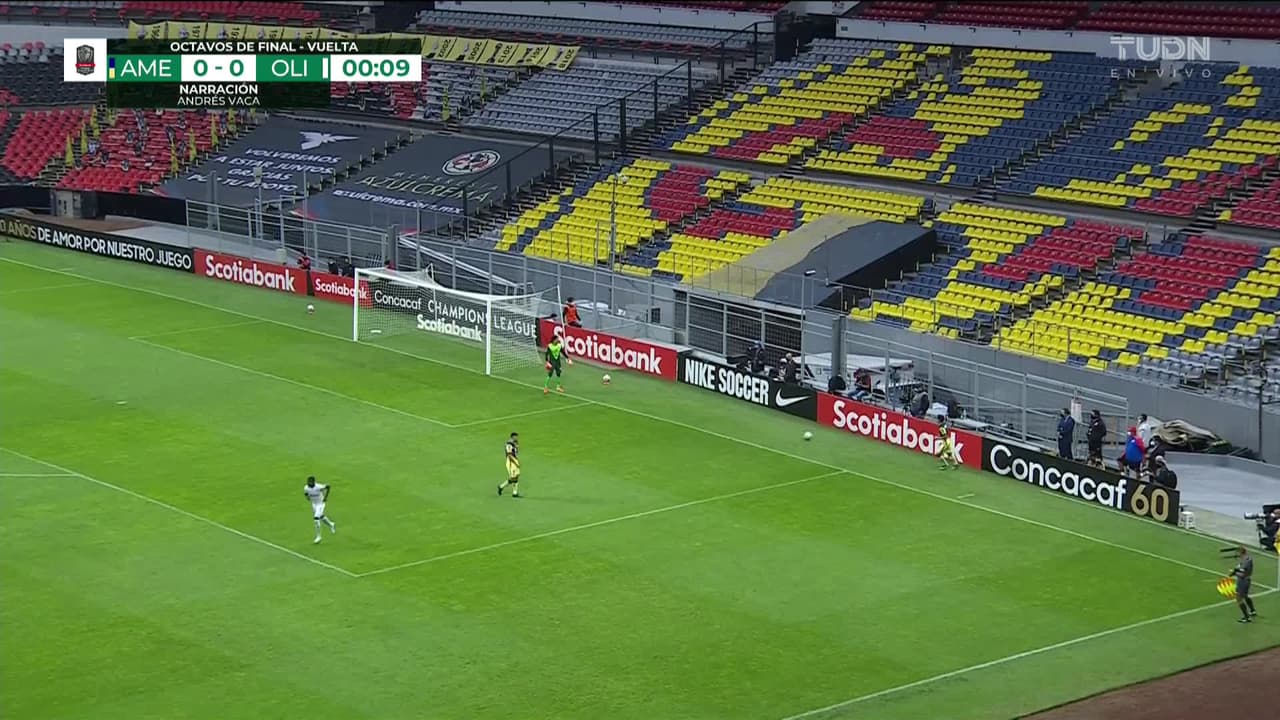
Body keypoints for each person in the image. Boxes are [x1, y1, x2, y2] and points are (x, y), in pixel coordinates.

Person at [302, 476, 337, 544]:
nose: (309, 483)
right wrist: (307, 497)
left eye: (310, 482)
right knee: (321, 516)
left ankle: (318, 536)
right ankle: (331, 524)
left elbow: (328, 486)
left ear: (313, 482)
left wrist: (325, 497)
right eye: (308, 482)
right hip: (314, 504)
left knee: (316, 519)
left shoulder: (318, 487)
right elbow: (306, 493)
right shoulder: (306, 487)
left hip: (320, 504)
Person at [1231, 546, 1257, 623]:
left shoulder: (1246, 561)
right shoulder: (1246, 559)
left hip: (1243, 581)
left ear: (1240, 552)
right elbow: (1239, 569)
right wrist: (1233, 572)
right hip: (1246, 580)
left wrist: (1235, 573)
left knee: (1238, 598)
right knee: (1245, 596)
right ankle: (1252, 611)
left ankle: (1246, 617)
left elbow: (1242, 573)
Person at [497, 432, 521, 498]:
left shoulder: (515, 443)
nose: (517, 438)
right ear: (512, 437)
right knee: (513, 477)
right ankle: (502, 487)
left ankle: (514, 492)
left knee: (516, 476)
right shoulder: (509, 444)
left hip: (515, 459)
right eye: (516, 437)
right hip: (511, 461)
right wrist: (515, 463)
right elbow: (509, 454)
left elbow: (516, 452)